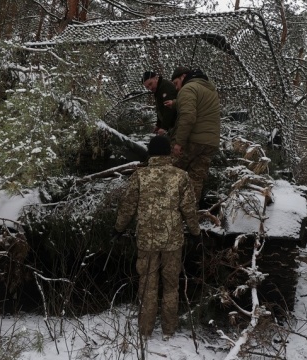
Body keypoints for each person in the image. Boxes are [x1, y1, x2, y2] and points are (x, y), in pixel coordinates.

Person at [114, 135, 200, 341]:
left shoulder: (140, 176)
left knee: (147, 285)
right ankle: (169, 330)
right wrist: (196, 232)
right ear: (169, 153)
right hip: (173, 242)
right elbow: (189, 209)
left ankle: (145, 331)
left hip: (147, 241)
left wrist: (118, 228)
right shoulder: (180, 176)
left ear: (150, 153)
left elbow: (128, 206)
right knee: (171, 285)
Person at [167, 66, 221, 204]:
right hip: (210, 144)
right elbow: (197, 103)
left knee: (170, 174)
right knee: (195, 181)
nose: (176, 88)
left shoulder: (187, 88)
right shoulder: (210, 89)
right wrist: (175, 103)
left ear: (183, 77)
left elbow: (188, 116)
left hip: (193, 141)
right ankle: (190, 217)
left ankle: (167, 212)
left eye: (176, 83)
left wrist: (179, 143)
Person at [142, 71, 178, 136]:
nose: (150, 88)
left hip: (176, 124)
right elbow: (160, 109)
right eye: (147, 87)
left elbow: (169, 109)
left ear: (156, 78)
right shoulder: (158, 89)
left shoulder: (165, 87)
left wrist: (164, 127)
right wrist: (159, 125)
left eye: (150, 84)